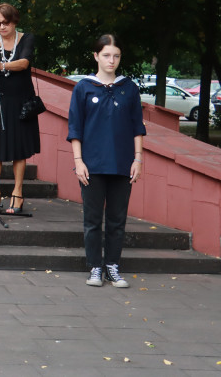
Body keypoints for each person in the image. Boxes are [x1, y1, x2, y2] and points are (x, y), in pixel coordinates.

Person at [69, 35, 145, 288]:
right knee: (92, 220)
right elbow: (75, 128)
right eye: (106, 55)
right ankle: (95, 267)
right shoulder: (83, 88)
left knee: (117, 219)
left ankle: (113, 266)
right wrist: (78, 161)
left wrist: (138, 159)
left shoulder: (129, 88)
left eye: (116, 56)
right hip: (92, 164)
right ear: (96, 56)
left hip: (122, 164)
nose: (111, 60)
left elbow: (137, 127)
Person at [0, 3, 40, 213]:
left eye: (5, 23)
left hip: (20, 99)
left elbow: (24, 63)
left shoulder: (26, 38)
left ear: (14, 20)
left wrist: (2, 65)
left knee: (19, 149)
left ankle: (17, 192)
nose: (2, 27)